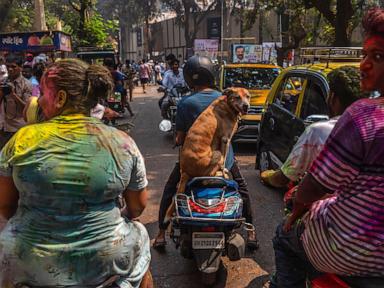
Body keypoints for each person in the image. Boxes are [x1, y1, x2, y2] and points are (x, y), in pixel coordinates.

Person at [0, 58, 152, 287]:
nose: (38, 101)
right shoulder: (123, 143)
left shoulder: (21, 140)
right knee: (140, 235)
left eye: (42, 93)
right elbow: (138, 207)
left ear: (60, 98)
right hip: (106, 260)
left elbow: (5, 206)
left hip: (28, 259)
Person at [270, 8, 384, 288]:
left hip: (353, 253)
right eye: (365, 55)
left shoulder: (363, 116)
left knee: (284, 237)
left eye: (378, 57)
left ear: (333, 98)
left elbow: (312, 188)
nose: (365, 65)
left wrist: (297, 211)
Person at [153, 55, 258, 249]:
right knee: (242, 188)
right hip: (225, 161)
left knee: (171, 189)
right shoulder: (225, 98)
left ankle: (160, 234)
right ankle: (251, 231)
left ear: (189, 78)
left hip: (197, 159)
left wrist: (179, 141)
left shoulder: (186, 102)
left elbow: (180, 137)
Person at [261, 66, 365, 188]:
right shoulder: (376, 129)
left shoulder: (319, 131)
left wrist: (267, 176)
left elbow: (285, 177)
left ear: (332, 97)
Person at [0, 53, 32, 150]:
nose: (10, 69)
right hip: (4, 126)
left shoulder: (26, 84)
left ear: (20, 67)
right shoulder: (3, 81)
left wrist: (13, 94)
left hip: (18, 128)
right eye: (8, 66)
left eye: (13, 67)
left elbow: (27, 108)